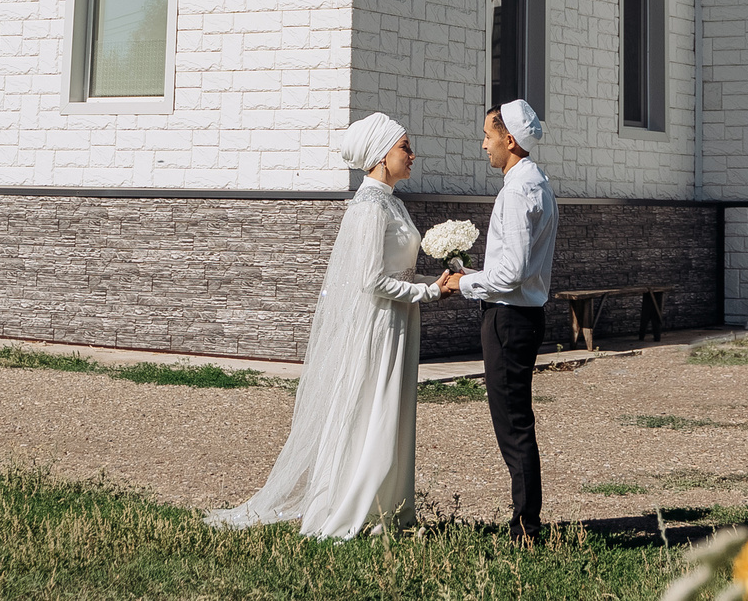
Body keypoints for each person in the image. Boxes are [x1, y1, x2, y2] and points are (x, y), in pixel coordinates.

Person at [209, 113, 444, 538]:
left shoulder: (391, 200)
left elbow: (400, 273)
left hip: (399, 320)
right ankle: (354, 506)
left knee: (391, 412)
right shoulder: (370, 207)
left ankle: (388, 506)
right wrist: (428, 293)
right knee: (373, 410)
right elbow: (370, 280)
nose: (412, 155)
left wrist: (437, 282)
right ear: (380, 154)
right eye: (404, 147)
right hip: (379, 325)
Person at [435, 98, 556, 541]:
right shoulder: (534, 183)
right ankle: (527, 519)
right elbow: (511, 269)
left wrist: (460, 285)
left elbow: (511, 275)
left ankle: (527, 526)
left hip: (509, 320)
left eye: (488, 135)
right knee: (514, 420)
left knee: (513, 424)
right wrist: (470, 274)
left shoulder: (519, 191)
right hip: (519, 315)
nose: (483, 144)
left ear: (509, 139)